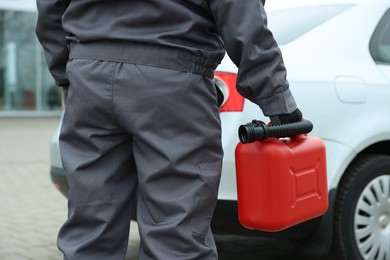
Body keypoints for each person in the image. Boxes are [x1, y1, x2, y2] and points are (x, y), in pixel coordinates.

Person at [36, 0, 302, 259]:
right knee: (176, 239)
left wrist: (70, 74)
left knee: (91, 232)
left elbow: (50, 9)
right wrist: (276, 97)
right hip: (174, 83)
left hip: (89, 79)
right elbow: (241, 11)